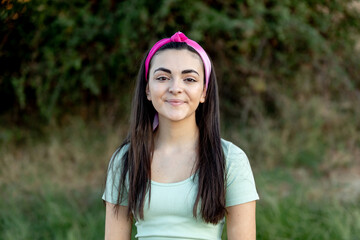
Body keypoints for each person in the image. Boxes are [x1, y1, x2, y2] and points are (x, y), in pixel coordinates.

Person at [102, 32, 259, 240]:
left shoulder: (230, 159)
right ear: (147, 89)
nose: (175, 88)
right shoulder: (125, 160)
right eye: (162, 78)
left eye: (189, 79)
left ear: (204, 92)